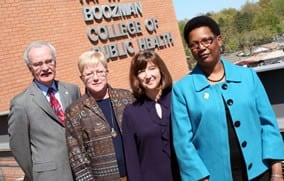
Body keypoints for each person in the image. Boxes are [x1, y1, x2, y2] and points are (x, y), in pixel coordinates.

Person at [171, 16, 284, 181]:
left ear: (219, 40)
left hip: (260, 172)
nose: (201, 47)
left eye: (206, 41)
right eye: (194, 44)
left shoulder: (248, 77)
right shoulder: (182, 90)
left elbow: (268, 125)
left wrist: (276, 171)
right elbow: (183, 143)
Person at [8, 41, 81, 181]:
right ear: (30, 68)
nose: (45, 68)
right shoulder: (21, 104)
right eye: (38, 64)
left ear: (55, 62)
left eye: (49, 61)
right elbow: (19, 148)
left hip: (81, 171)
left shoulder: (72, 90)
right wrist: (37, 175)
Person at [64, 50, 134, 181]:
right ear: (82, 78)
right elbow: (77, 155)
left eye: (100, 72)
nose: (96, 78)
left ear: (107, 72)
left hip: (136, 173)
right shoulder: (74, 111)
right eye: (89, 74)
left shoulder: (127, 98)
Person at [122, 50, 180, 181]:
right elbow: (132, 160)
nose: (147, 75)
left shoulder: (178, 99)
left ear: (161, 70)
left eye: (152, 68)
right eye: (141, 71)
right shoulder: (131, 113)